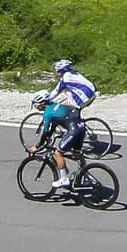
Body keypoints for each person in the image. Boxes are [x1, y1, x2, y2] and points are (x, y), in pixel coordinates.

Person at [40, 59, 99, 191]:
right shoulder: (72, 73)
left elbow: (56, 91)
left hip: (84, 96)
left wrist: (48, 100)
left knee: (58, 152)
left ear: (61, 71)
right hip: (90, 92)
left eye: (57, 72)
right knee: (77, 153)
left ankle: (64, 178)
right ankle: (85, 173)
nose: (56, 74)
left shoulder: (65, 78)